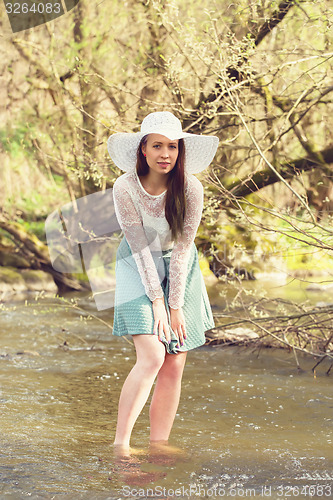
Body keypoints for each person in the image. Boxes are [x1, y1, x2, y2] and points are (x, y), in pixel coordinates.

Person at [107, 111, 219, 454]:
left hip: (181, 267)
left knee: (175, 358)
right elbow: (140, 248)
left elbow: (185, 247)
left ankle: (159, 445)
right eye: (157, 146)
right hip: (136, 264)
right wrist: (157, 302)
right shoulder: (125, 187)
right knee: (154, 354)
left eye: (172, 146)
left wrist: (174, 305)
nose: (165, 154)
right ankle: (121, 445)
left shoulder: (191, 188)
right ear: (144, 149)